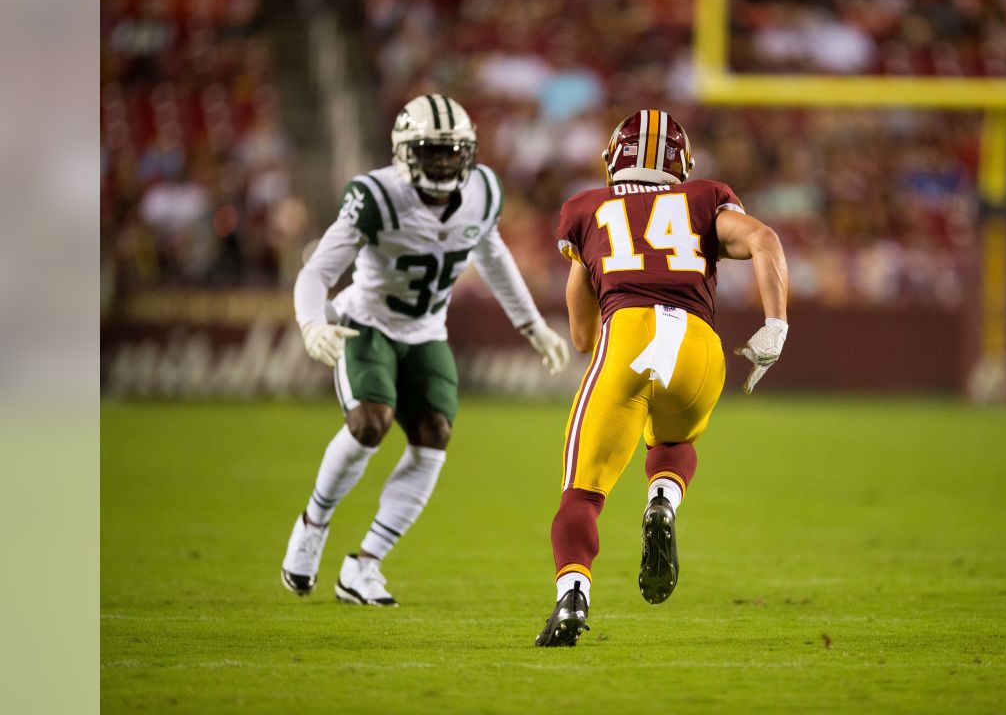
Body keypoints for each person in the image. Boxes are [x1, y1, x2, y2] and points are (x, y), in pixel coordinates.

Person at [282, 94, 569, 606]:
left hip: (426, 330)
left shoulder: (483, 190)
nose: (443, 162)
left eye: (452, 152)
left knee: (435, 434)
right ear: (404, 153)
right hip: (367, 323)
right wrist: (310, 323)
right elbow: (316, 272)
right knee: (370, 422)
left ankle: (364, 565)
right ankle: (313, 524)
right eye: (431, 151)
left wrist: (533, 325)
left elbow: (493, 253)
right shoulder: (377, 196)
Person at [535, 109, 790, 646]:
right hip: (699, 347)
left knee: (581, 492)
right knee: (675, 440)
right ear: (682, 165)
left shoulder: (586, 209)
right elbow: (765, 238)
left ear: (612, 159)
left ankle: (572, 599)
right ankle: (663, 501)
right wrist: (776, 324)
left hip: (628, 335)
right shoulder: (704, 197)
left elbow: (582, 336)